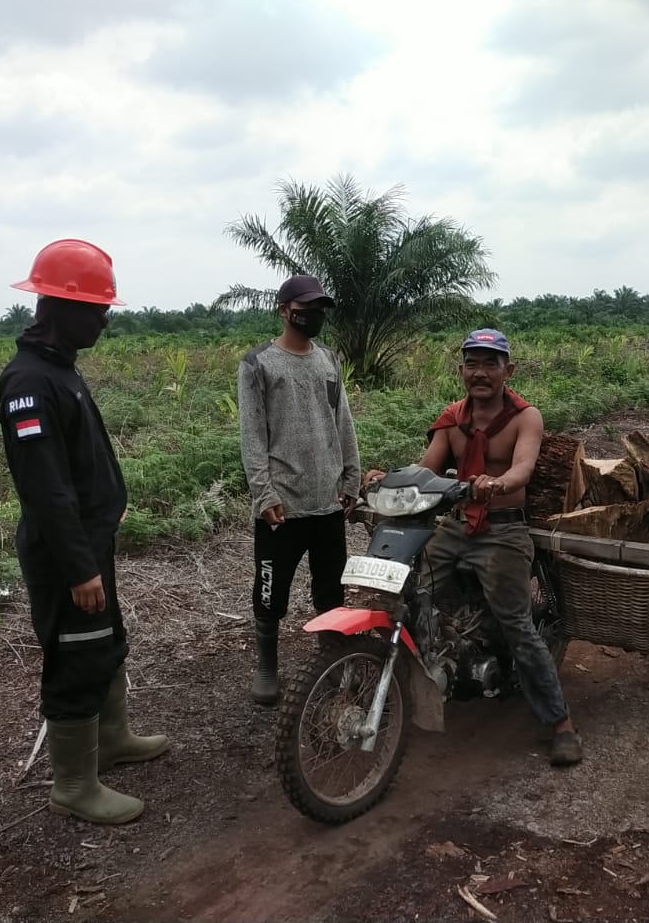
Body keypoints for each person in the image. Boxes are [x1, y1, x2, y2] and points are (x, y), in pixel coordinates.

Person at [0, 239, 167, 826]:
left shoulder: (59, 369)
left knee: (104, 644)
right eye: (96, 307)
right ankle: (73, 784)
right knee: (75, 657)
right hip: (66, 554)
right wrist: (79, 568)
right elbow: (44, 489)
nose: (104, 318)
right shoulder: (29, 380)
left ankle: (112, 742)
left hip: (91, 544)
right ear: (60, 305)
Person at [364, 329, 583, 767]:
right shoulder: (453, 419)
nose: (480, 372)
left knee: (518, 625)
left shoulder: (525, 417)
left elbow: (522, 469)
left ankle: (560, 724)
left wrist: (496, 484)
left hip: (504, 529)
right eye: (472, 363)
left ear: (508, 370)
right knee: (406, 593)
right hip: (456, 525)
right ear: (461, 369)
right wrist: (385, 478)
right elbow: (427, 469)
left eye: (490, 363)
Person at [238, 274, 361, 705]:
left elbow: (342, 421)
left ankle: (331, 661)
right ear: (284, 309)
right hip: (282, 507)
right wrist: (263, 493)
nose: (313, 316)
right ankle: (267, 665)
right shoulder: (258, 364)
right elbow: (252, 436)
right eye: (305, 308)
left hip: (327, 500)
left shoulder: (327, 360)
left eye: (319, 309)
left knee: (331, 590)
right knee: (271, 591)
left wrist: (351, 477)